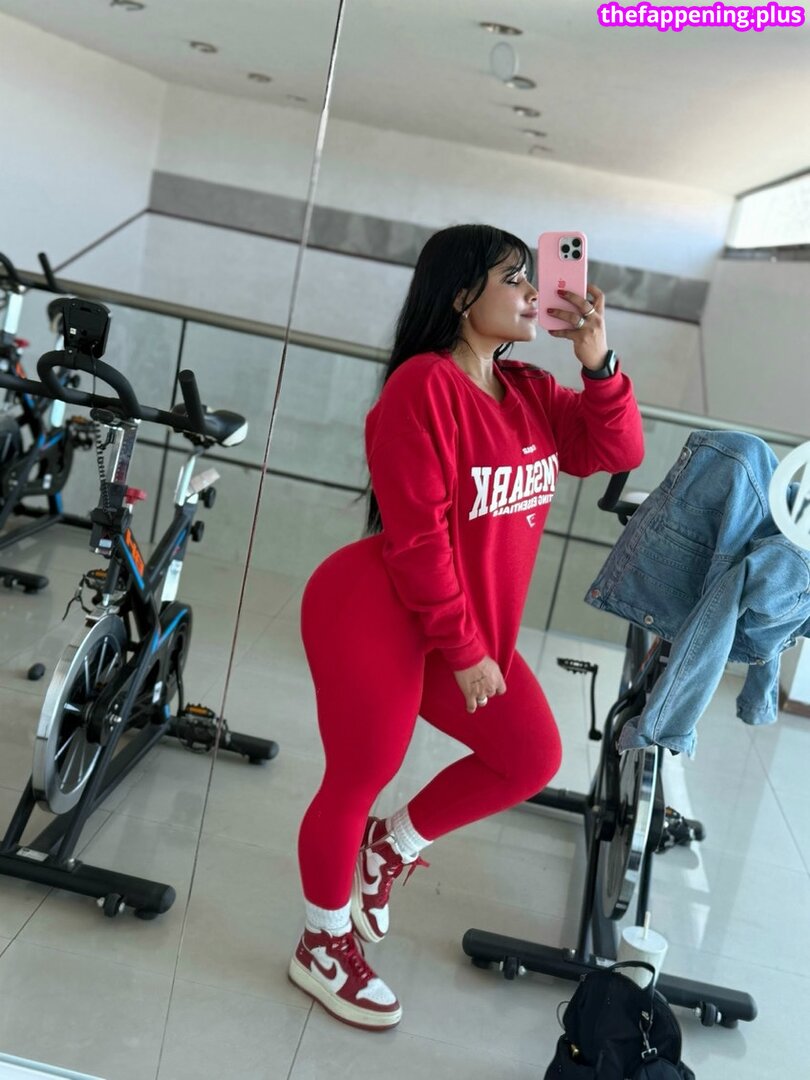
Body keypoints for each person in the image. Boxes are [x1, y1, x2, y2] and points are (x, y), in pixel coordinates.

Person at [288, 224, 644, 1030]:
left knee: (531, 756)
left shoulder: (529, 392)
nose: (533, 293)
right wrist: (467, 650)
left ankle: (390, 846)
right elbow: (418, 541)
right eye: (513, 278)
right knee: (361, 772)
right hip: (375, 608)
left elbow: (616, 447)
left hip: (461, 623)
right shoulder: (422, 386)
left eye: (531, 277)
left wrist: (597, 363)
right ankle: (321, 944)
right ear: (459, 296)